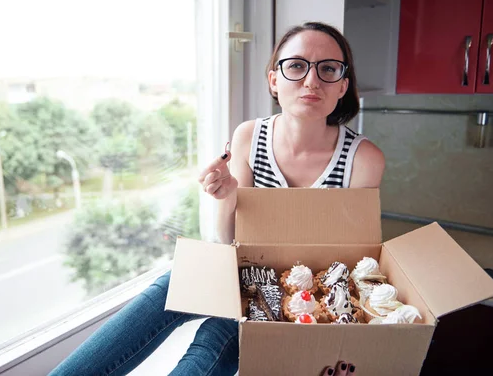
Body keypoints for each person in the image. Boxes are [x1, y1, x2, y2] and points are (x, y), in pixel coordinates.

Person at [49, 21, 383, 376]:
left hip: (296, 295)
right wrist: (228, 195)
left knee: (215, 339)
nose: (311, 81)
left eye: (328, 69)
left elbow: (344, 266)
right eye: (297, 66)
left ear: (343, 85)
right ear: (274, 80)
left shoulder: (362, 158)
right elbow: (227, 241)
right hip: (234, 267)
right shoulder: (250, 136)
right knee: (163, 291)